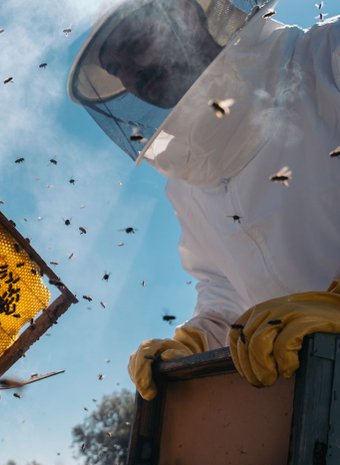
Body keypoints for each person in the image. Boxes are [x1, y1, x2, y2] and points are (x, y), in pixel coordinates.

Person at [68, 0, 340, 399]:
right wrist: (197, 341)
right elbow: (227, 291)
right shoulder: (187, 187)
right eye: (116, 68)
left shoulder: (327, 57)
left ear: (187, 11)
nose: (131, 74)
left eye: (131, 42)